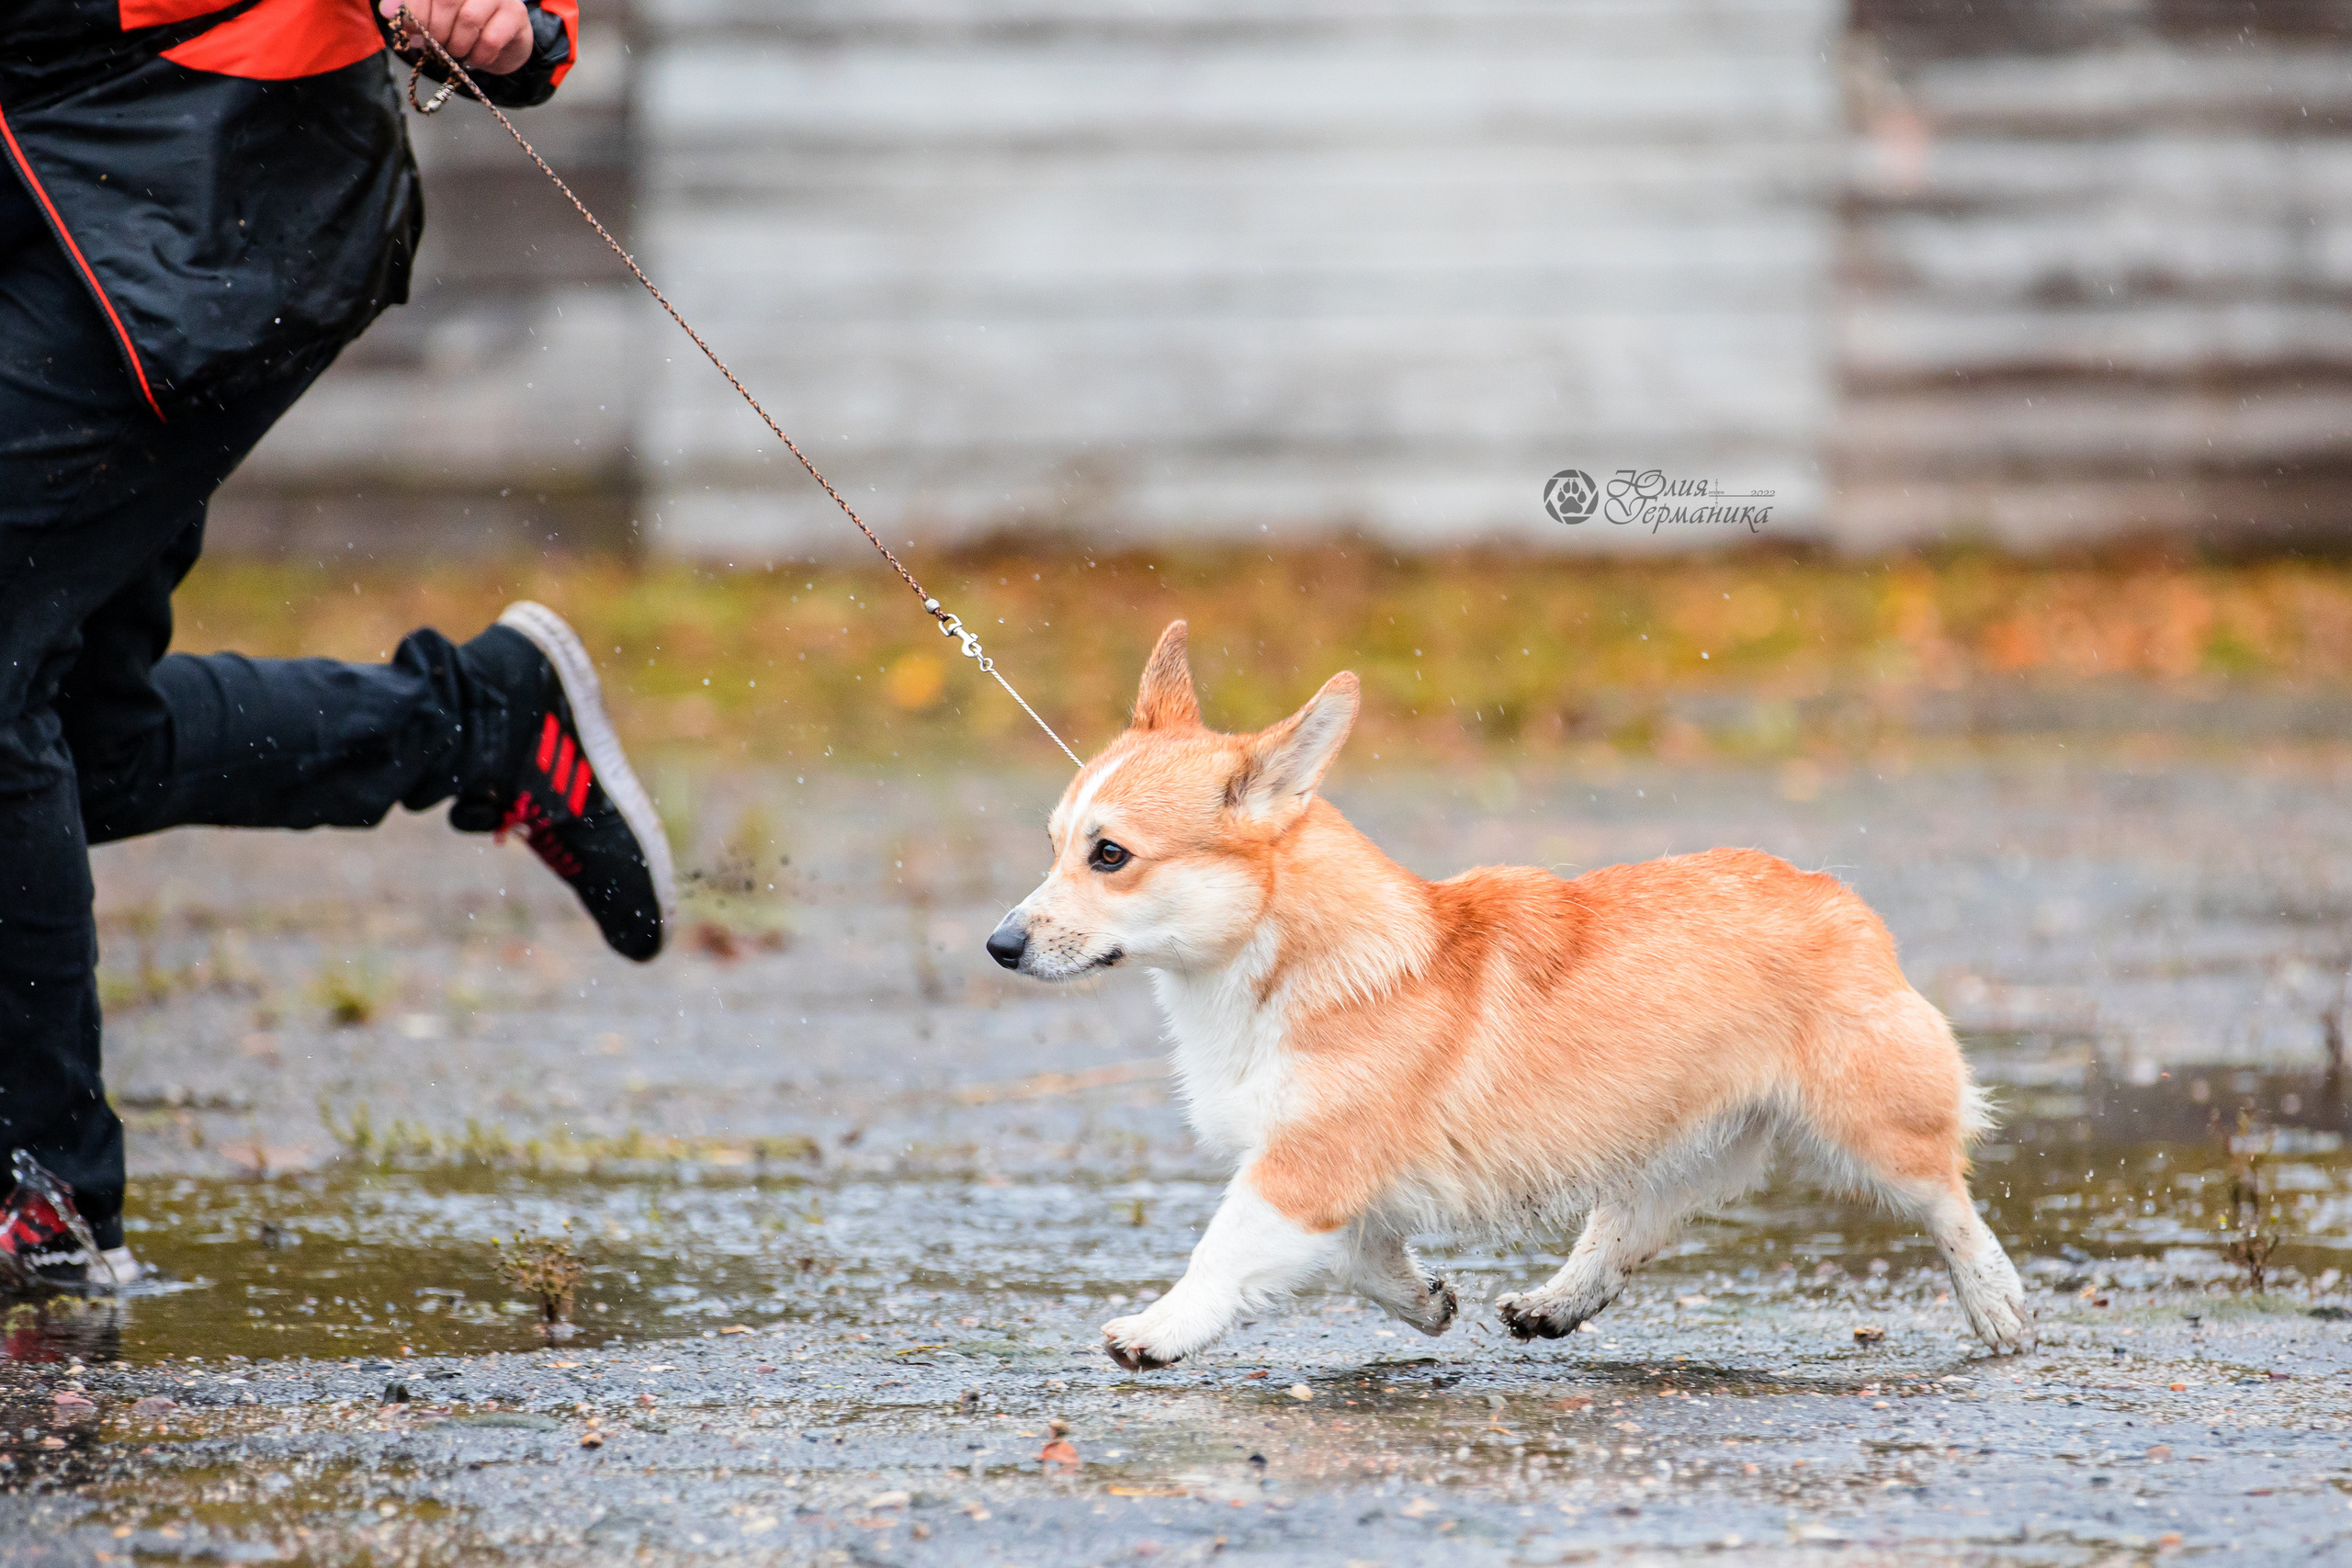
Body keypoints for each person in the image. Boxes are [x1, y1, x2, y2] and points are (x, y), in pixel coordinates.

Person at [0, 0, 673, 1289]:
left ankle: (47, 1200)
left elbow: (525, 26)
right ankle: (477, 719)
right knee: (81, 741)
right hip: (41, 187)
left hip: (192, 197)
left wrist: (515, 20)